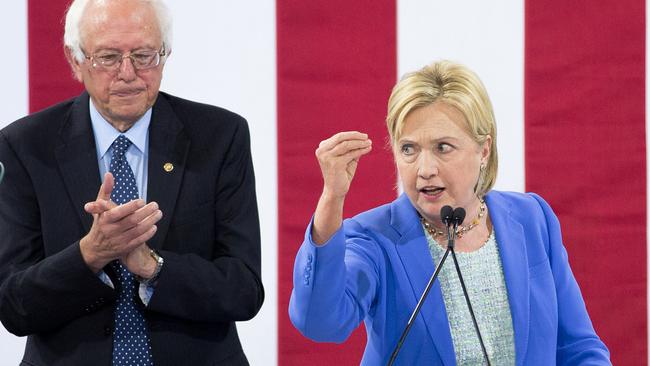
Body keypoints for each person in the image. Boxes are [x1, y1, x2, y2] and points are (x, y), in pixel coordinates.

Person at [289, 60, 610, 365]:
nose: (424, 169)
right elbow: (321, 323)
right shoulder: (374, 237)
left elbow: (578, 346)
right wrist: (332, 198)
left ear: (483, 150)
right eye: (409, 149)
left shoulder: (531, 218)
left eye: (443, 147)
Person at [0, 0, 263, 365]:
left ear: (166, 54)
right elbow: (13, 305)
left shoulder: (219, 137)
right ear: (75, 59)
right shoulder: (25, 147)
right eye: (108, 57)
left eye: (143, 55)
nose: (128, 73)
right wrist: (90, 254)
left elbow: (244, 290)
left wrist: (153, 267)